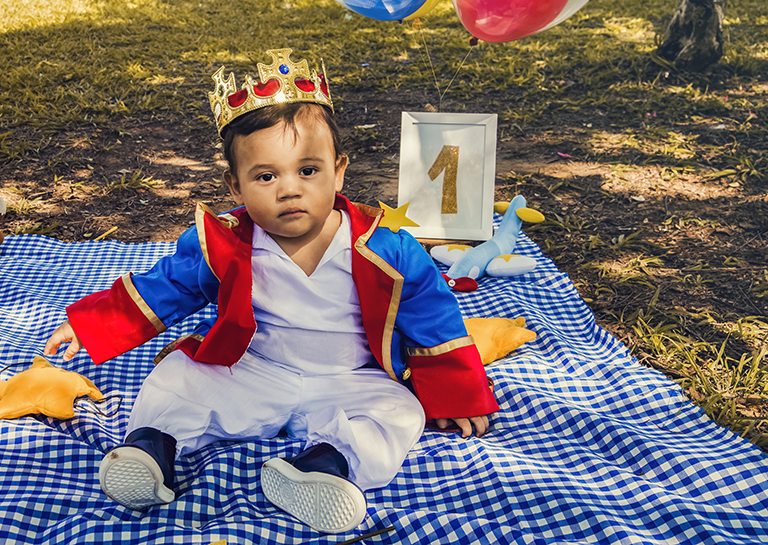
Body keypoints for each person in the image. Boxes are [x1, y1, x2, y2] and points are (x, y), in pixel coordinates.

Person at [44, 49, 498, 534]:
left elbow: (433, 316)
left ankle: (326, 466)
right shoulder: (225, 241)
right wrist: (90, 322)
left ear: (339, 170)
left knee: (399, 411)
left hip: (348, 379)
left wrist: (458, 395)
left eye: (308, 170)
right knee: (177, 377)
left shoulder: (384, 246)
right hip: (255, 370)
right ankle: (151, 449)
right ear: (235, 186)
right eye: (266, 176)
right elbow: (169, 284)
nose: (289, 189)